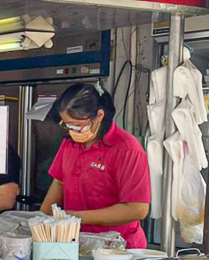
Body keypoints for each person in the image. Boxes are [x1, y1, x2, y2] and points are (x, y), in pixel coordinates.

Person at [40, 83, 151, 248]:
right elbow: (59, 182)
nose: (72, 131)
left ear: (99, 115)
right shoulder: (70, 143)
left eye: (77, 125)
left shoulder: (127, 148)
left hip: (117, 248)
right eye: (67, 125)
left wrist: (74, 218)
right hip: (76, 242)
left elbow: (137, 209)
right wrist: (43, 218)